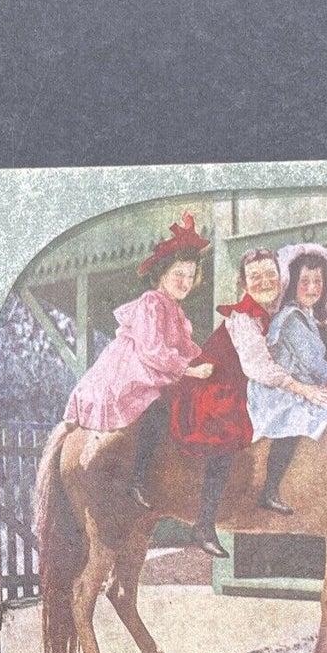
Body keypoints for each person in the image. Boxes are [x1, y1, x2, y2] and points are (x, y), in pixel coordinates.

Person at [62, 212, 213, 508]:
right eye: (177, 275)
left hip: (158, 369)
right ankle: (138, 480)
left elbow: (187, 346)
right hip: (134, 370)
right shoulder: (151, 303)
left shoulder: (176, 312)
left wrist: (208, 360)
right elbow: (153, 350)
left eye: (190, 275)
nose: (185, 281)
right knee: (155, 411)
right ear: (161, 276)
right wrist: (191, 371)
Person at [172, 247, 285, 556]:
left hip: (241, 384)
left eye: (270, 275)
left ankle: (269, 491)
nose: (264, 282)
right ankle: (204, 525)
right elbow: (256, 367)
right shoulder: (243, 317)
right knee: (224, 435)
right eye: (255, 277)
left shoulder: (277, 313)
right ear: (243, 283)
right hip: (215, 384)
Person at [249, 244, 327, 514]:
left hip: (300, 384)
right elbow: (313, 364)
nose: (312, 288)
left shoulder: (306, 316)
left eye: (318, 282)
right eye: (305, 282)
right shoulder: (291, 318)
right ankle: (271, 489)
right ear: (292, 285)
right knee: (297, 423)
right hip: (277, 390)